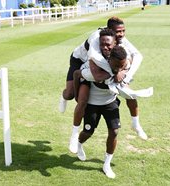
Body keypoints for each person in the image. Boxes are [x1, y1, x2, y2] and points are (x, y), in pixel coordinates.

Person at [61, 17, 148, 153]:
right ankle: (73, 130)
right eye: (119, 31)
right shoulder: (97, 38)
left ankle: (136, 124)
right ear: (111, 31)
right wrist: (115, 73)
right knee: (71, 94)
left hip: (99, 67)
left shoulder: (118, 39)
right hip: (80, 61)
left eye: (123, 31)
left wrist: (126, 73)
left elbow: (136, 55)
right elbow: (96, 64)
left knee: (130, 93)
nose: (122, 34)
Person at [76, 45, 129, 179]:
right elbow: (76, 74)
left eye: (121, 66)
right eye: (117, 65)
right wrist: (77, 95)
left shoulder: (122, 65)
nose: (118, 68)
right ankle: (79, 144)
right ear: (109, 59)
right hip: (92, 104)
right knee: (88, 132)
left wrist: (122, 71)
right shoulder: (94, 69)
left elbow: (128, 66)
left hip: (110, 103)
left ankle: (107, 164)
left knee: (114, 131)